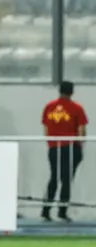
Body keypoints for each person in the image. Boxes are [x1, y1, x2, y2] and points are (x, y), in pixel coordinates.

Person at [40, 81, 87, 222]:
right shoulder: (76, 108)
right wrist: (80, 145)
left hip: (54, 147)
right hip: (71, 147)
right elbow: (81, 129)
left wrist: (50, 143)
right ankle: (62, 211)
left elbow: (46, 128)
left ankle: (46, 210)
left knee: (54, 177)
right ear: (72, 92)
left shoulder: (49, 107)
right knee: (67, 180)